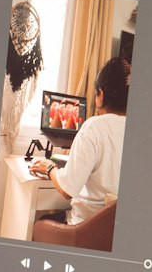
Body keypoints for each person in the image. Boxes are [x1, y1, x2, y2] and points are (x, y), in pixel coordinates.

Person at [30, 57, 129, 226]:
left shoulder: (94, 127)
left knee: (41, 222)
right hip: (113, 232)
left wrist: (49, 168)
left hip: (86, 227)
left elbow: (67, 190)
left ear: (100, 95)